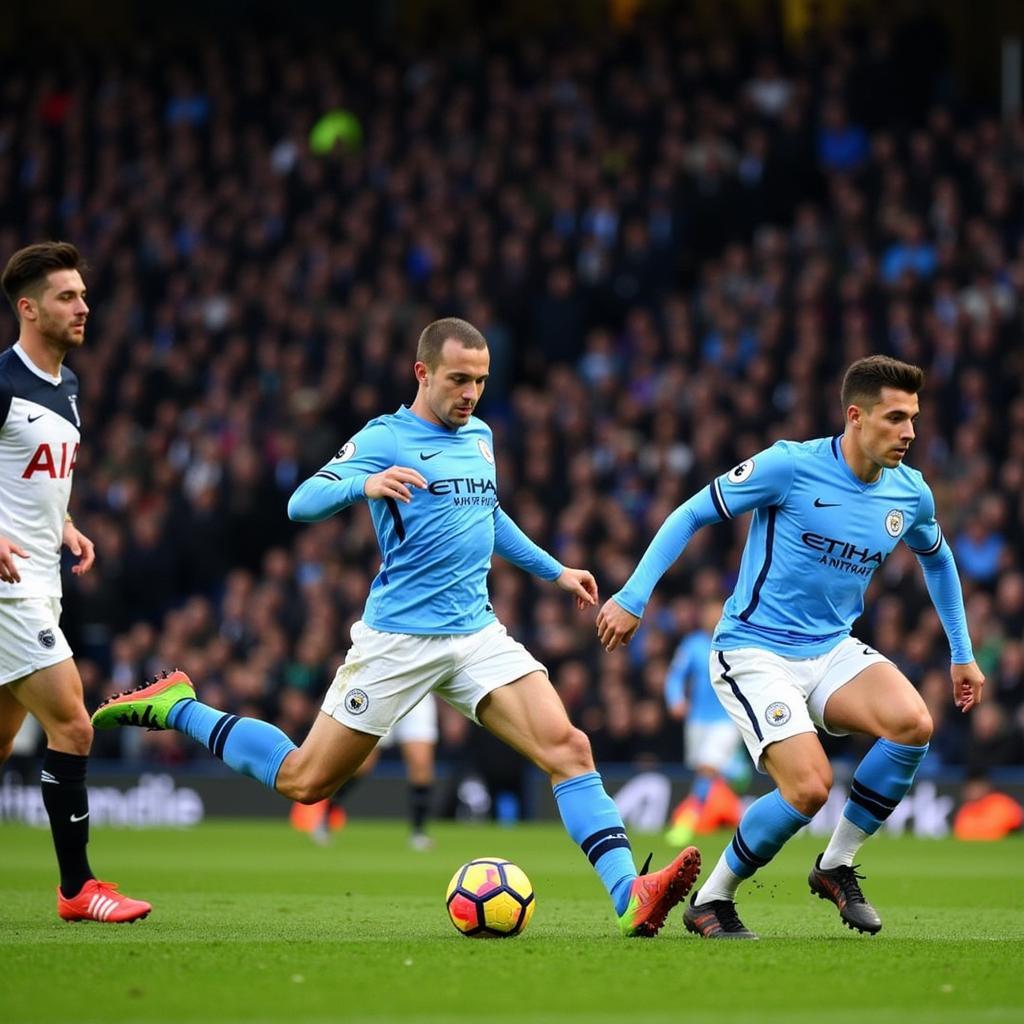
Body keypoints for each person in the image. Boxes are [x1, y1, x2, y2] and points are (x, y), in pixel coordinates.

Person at [94, 317, 700, 937]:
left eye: (481, 381)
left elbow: (487, 514)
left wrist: (554, 571)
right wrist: (364, 483)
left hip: (475, 635)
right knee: (307, 781)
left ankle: (630, 894)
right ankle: (179, 706)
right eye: (458, 379)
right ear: (423, 372)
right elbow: (299, 502)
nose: (471, 393)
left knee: (569, 749)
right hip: (398, 641)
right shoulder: (385, 437)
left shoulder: (482, 436)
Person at [596, 355, 984, 939]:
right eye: (895, 418)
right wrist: (633, 595)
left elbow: (939, 559)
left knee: (913, 723)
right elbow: (692, 512)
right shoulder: (790, 466)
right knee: (808, 787)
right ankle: (713, 899)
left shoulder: (910, 493)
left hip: (830, 649)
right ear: (855, 417)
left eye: (914, 420)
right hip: (753, 650)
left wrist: (962, 651)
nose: (909, 433)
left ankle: (836, 864)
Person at [0, 241, 151, 923]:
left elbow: (37, 476)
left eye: (84, 295)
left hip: (42, 573)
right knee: (73, 721)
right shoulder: (3, 380)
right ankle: (77, 887)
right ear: (28, 309)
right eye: (67, 297)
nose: (84, 306)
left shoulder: (67, 385)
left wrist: (66, 525)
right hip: (7, 581)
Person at [295, 693, 438, 850]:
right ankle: (325, 818)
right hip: (386, 690)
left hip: (419, 692)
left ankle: (418, 833)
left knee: (421, 763)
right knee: (362, 765)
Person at [663, 598, 747, 847]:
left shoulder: (738, 644)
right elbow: (675, 676)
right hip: (698, 720)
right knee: (708, 770)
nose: (713, 618)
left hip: (727, 719)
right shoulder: (692, 645)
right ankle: (735, 804)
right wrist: (675, 699)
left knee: (707, 768)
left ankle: (688, 821)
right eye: (709, 613)